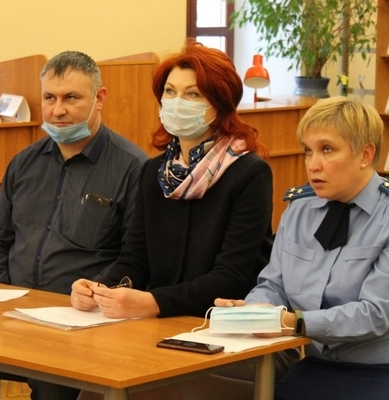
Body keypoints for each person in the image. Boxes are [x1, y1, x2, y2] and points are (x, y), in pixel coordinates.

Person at [0, 50, 148, 400]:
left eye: (71, 98)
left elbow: (135, 258)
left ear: (100, 98)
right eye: (49, 98)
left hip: (78, 323)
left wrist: (93, 294)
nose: (57, 110)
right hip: (7, 314)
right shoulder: (23, 163)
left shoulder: (133, 168)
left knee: (54, 381)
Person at [71, 39, 276, 399]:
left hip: (222, 332)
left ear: (219, 104)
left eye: (193, 94)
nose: (177, 102)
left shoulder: (249, 173)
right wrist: (100, 288)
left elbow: (232, 277)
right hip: (159, 327)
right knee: (98, 384)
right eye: (170, 92)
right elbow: (135, 259)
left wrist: (153, 302)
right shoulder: (153, 172)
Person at [216, 96, 389, 400]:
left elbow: (376, 314)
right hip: (323, 363)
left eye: (327, 149)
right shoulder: (299, 209)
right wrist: (254, 311)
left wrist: (291, 322)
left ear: (365, 154)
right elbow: (274, 285)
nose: (313, 164)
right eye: (308, 151)